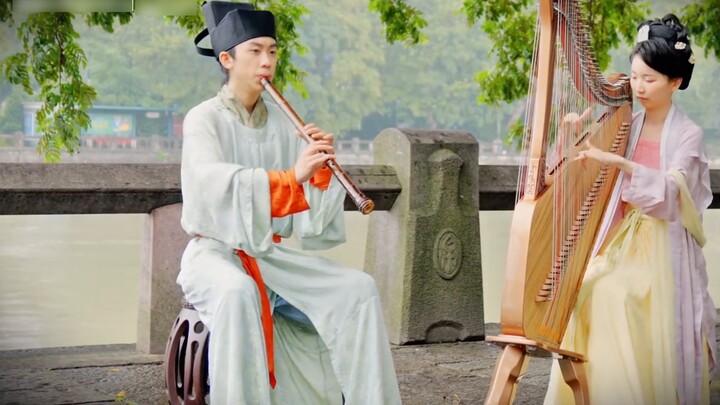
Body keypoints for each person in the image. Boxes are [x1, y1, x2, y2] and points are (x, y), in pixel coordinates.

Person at [177, 2, 402, 403]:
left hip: (270, 256)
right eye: (255, 51)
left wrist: (319, 174)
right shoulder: (203, 119)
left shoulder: (284, 124)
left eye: (272, 51)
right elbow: (211, 185)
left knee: (358, 289)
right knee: (237, 292)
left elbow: (309, 224)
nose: (267, 61)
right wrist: (291, 176)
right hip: (213, 254)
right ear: (227, 59)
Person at [544, 14, 715, 405]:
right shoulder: (627, 124)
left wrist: (622, 164)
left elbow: (674, 195)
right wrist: (569, 136)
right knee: (586, 288)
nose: (638, 86)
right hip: (623, 241)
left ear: (675, 81)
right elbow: (570, 173)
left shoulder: (688, 135)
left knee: (617, 294)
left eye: (650, 79)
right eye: (635, 76)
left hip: (664, 245)